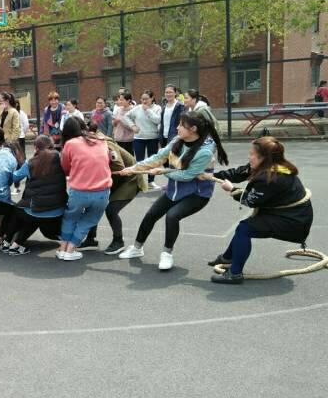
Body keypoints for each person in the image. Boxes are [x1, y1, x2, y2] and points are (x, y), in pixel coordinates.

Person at [118, 113, 229, 270]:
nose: (177, 128)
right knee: (151, 215)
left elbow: (186, 176)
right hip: (174, 190)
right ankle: (137, 248)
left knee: (172, 216)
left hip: (196, 194)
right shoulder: (178, 140)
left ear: (193, 129)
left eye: (181, 125)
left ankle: (167, 254)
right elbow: (158, 157)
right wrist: (133, 168)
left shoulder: (204, 152)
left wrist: (163, 172)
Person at [207, 137, 313, 284]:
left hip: (294, 221)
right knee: (243, 227)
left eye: (252, 154)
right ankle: (227, 258)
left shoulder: (271, 177)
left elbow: (250, 200)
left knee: (245, 228)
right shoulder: (268, 165)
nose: (249, 157)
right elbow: (238, 173)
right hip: (287, 214)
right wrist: (210, 176)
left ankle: (234, 274)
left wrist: (231, 189)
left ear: (264, 157)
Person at [0, 135, 66, 256]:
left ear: (36, 148)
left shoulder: (31, 163)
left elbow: (15, 177)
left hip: (36, 209)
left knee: (20, 211)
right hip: (57, 210)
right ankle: (15, 245)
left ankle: (6, 241)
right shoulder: (61, 159)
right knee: (31, 214)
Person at [82, 130, 148, 255]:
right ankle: (90, 240)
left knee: (111, 210)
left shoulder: (106, 145)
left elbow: (120, 168)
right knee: (93, 206)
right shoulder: (88, 144)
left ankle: (118, 241)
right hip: (111, 179)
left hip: (129, 179)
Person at [57, 117, 112, 261]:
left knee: (70, 217)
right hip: (102, 191)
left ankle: (62, 249)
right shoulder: (101, 140)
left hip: (79, 191)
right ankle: (71, 249)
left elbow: (65, 168)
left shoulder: (70, 144)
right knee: (89, 220)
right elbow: (107, 160)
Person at [125, 89, 162, 189]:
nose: (144, 101)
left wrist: (148, 110)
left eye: (146, 99)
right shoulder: (137, 108)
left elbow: (158, 120)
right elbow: (126, 116)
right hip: (139, 138)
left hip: (153, 138)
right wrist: (133, 126)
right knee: (139, 161)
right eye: (142, 99)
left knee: (152, 160)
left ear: (152, 98)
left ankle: (151, 181)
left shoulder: (157, 108)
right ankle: (140, 182)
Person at [112, 90, 135, 155]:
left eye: (122, 100)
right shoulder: (118, 110)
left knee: (129, 157)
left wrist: (121, 121)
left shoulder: (133, 110)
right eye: (120, 99)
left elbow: (133, 127)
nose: (120, 101)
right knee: (119, 157)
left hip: (129, 140)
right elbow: (113, 124)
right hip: (118, 138)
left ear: (128, 100)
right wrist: (115, 122)